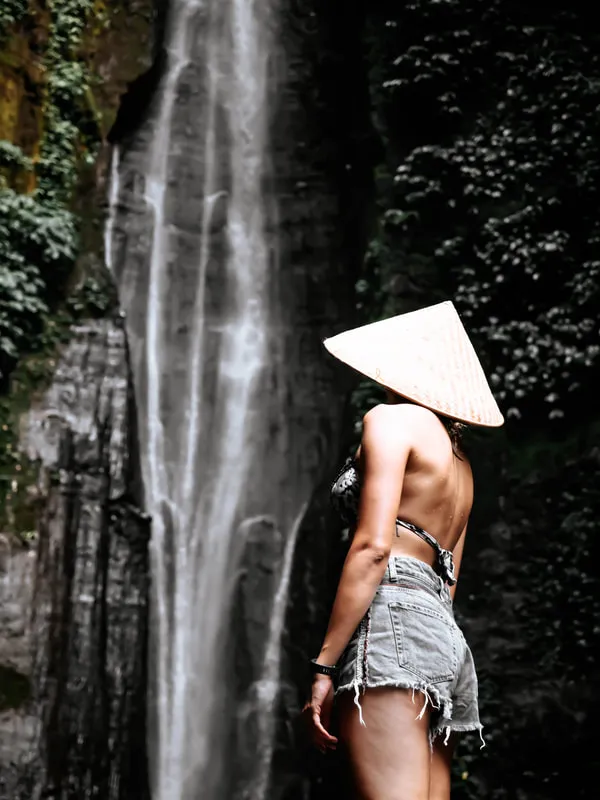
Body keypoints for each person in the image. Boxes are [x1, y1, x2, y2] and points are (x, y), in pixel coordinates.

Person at [302, 301, 504, 800]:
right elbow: (448, 578)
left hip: (392, 621)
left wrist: (325, 667)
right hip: (444, 639)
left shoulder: (391, 420)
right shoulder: (461, 465)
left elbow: (373, 547)